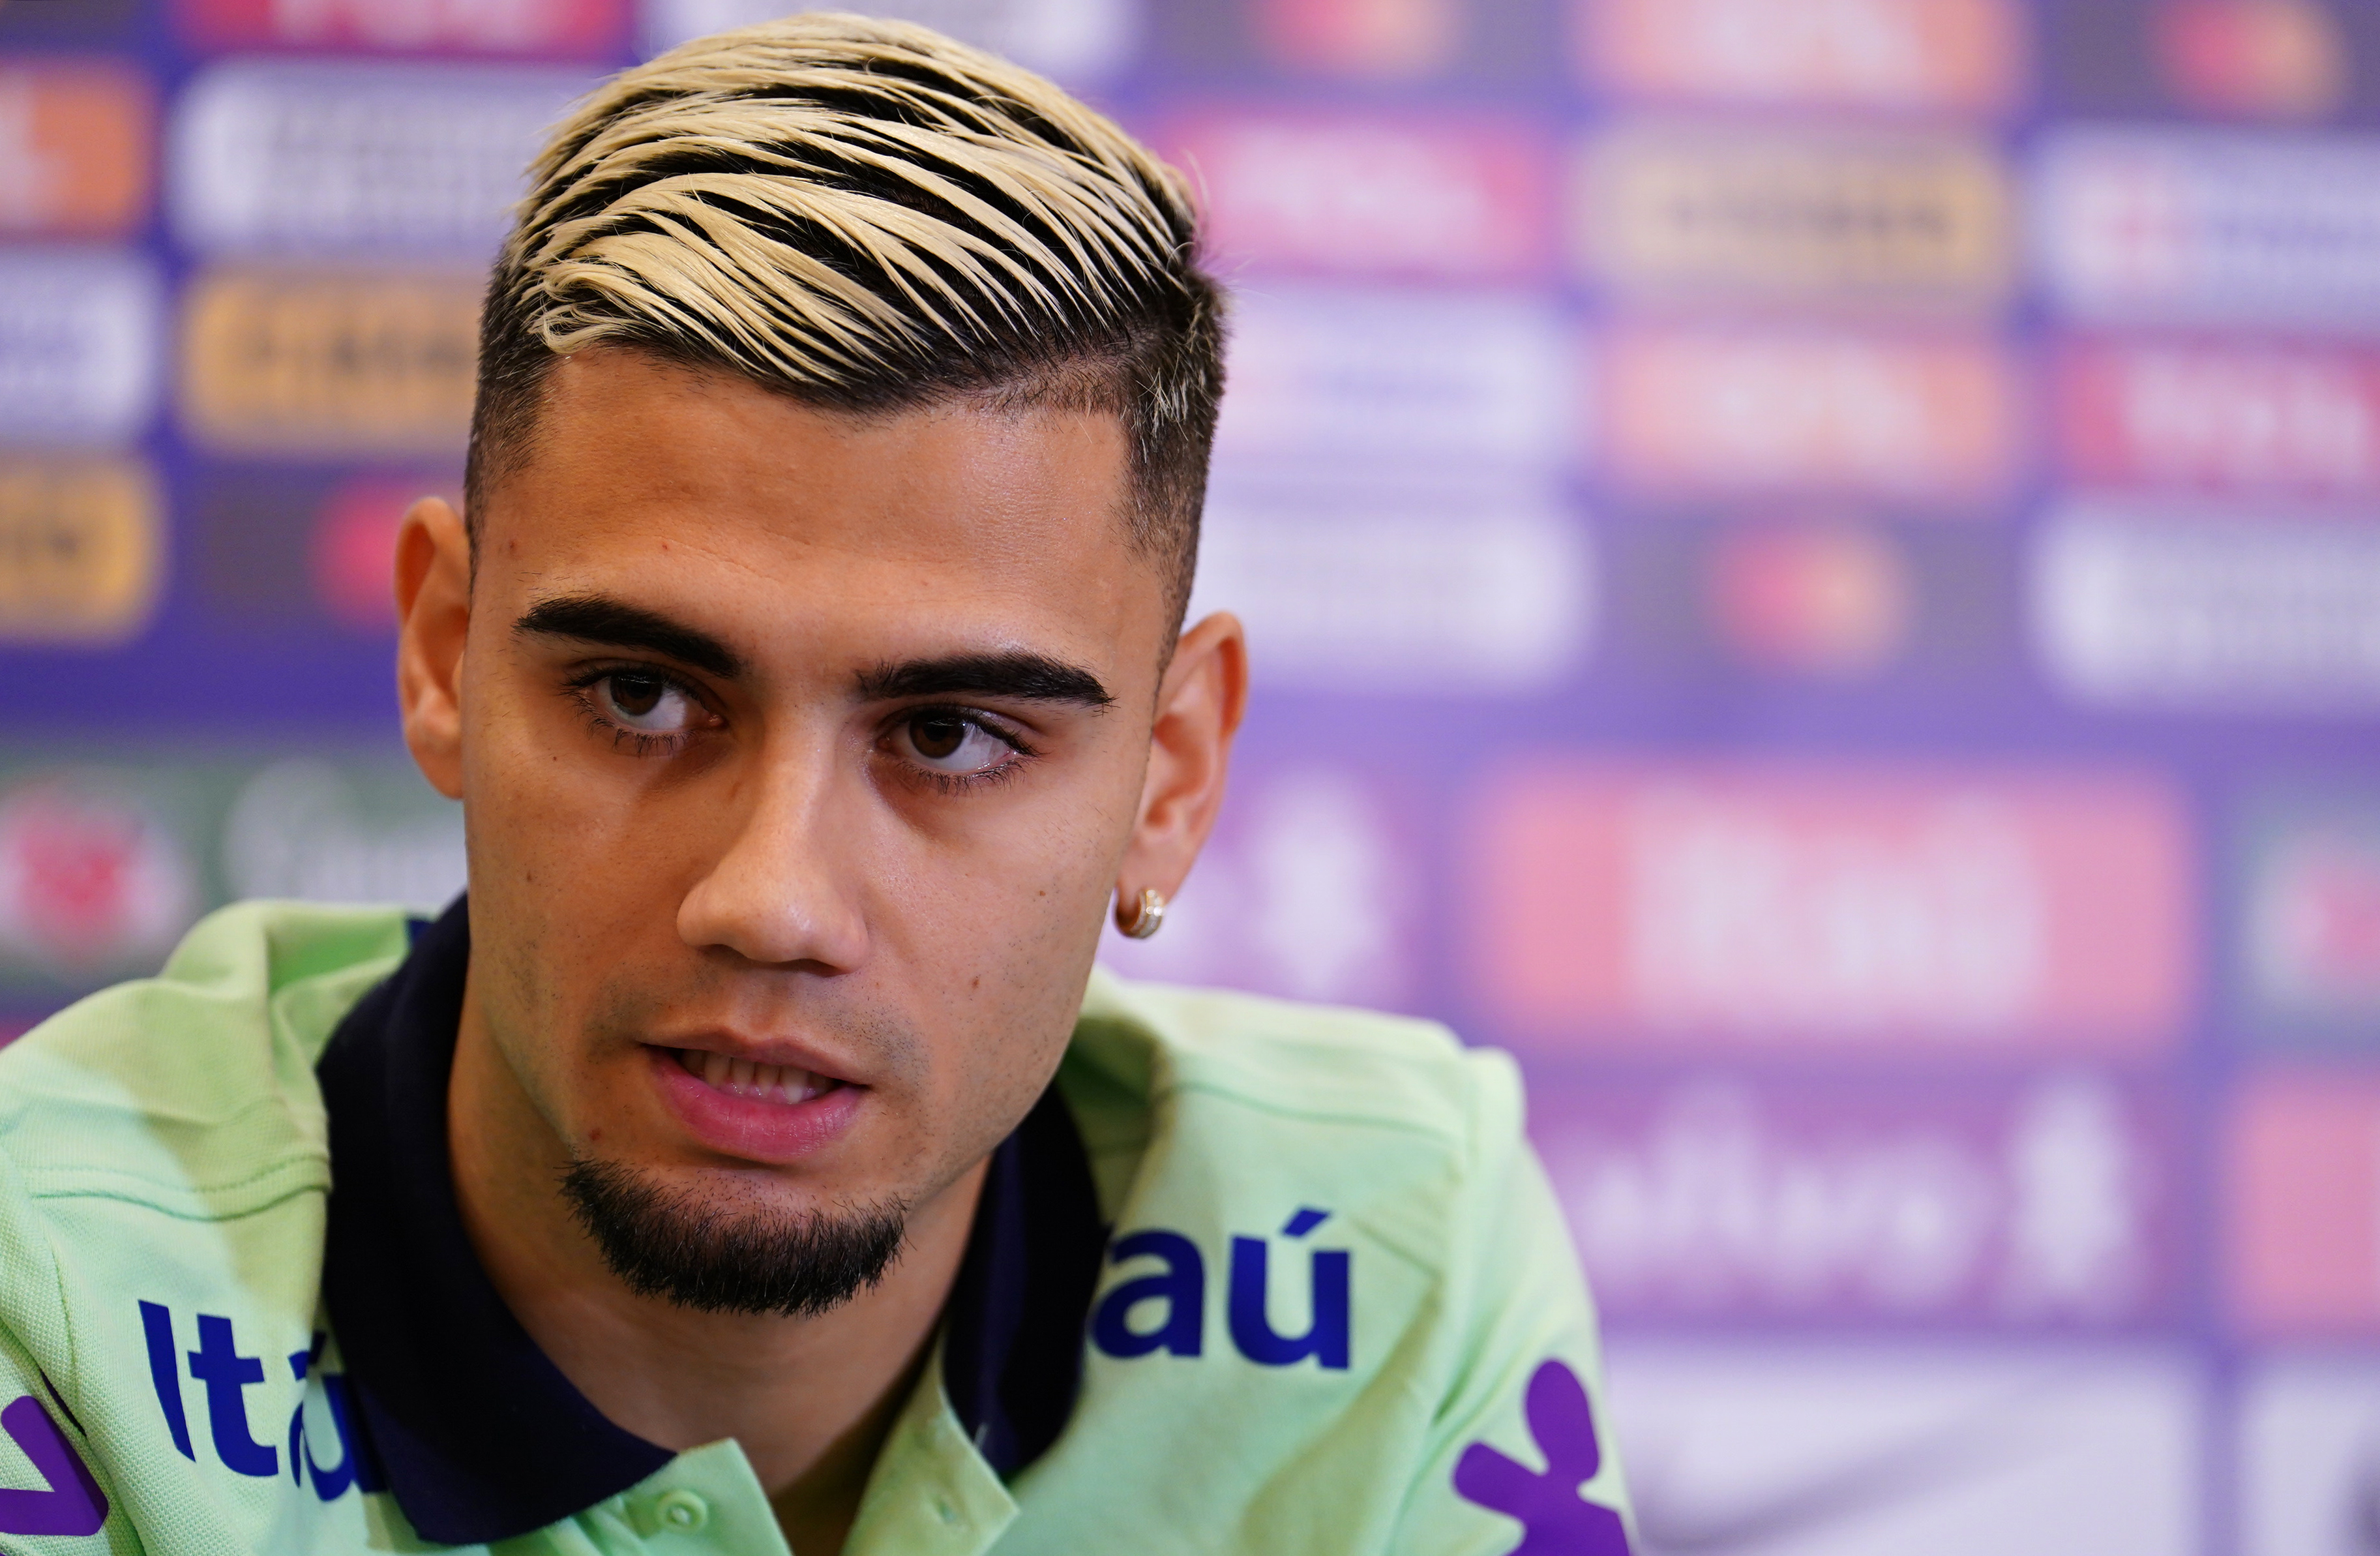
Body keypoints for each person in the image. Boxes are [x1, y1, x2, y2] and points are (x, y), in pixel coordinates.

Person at [0, 16, 1634, 1555]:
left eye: (951, 735)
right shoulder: (53, 1279)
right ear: (444, 653)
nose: (771, 897)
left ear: (1172, 772)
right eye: (639, 694)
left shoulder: (1390, 1268)